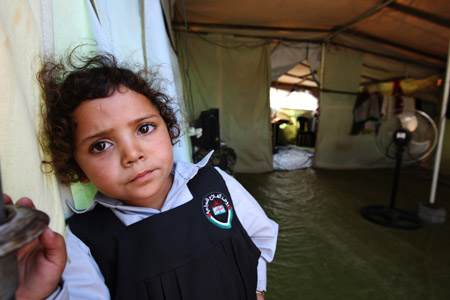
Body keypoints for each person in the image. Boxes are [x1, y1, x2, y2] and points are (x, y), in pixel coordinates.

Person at [5, 49, 278, 299]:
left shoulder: (217, 184)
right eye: (101, 146)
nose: (133, 154)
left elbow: (259, 238)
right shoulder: (83, 243)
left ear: (169, 130)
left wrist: (257, 290)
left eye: (145, 128)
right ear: (78, 170)